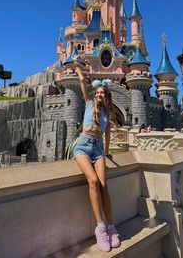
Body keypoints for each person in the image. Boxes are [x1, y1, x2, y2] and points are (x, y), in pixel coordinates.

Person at [73, 60, 121, 252]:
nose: (100, 93)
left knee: (103, 186)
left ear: (107, 95)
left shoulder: (106, 115)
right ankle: (100, 228)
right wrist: (78, 69)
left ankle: (111, 228)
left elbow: (107, 135)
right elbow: (84, 84)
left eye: (103, 92)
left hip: (98, 149)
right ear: (95, 94)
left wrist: (107, 151)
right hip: (83, 146)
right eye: (98, 91)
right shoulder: (89, 103)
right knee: (92, 181)